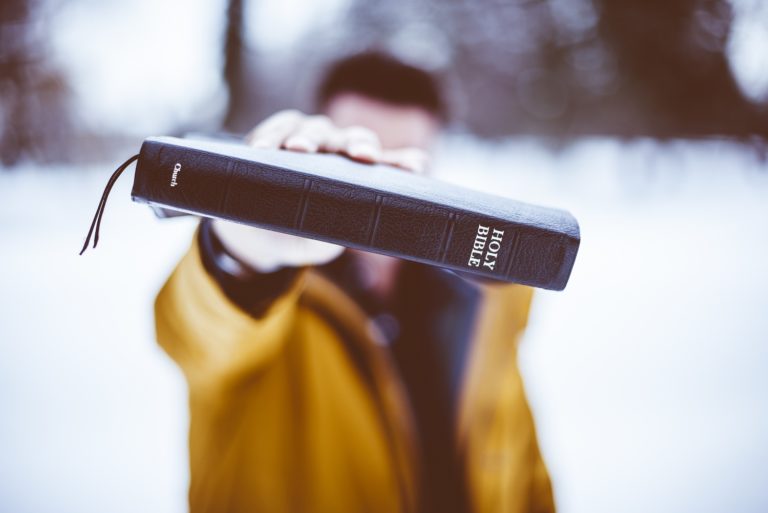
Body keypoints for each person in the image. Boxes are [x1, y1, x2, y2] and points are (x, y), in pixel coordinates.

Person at [154, 52, 554, 513]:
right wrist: (242, 252)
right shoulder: (266, 299)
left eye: (402, 165)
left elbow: (526, 477)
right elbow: (194, 333)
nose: (380, 189)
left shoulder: (484, 302)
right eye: (361, 162)